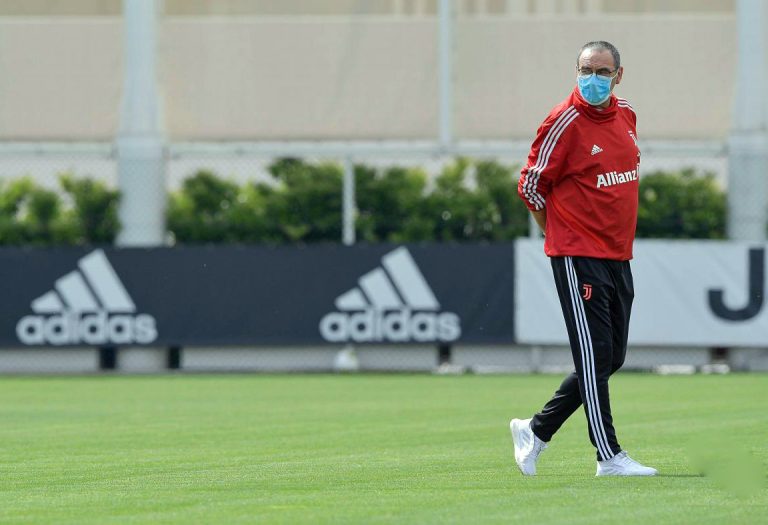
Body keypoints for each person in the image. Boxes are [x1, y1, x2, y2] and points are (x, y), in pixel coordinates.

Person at [511, 41, 657, 477]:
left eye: (602, 71)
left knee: (610, 358)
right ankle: (608, 456)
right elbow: (530, 185)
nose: (593, 79)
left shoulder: (626, 114)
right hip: (578, 253)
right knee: (594, 355)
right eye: (585, 70)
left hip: (618, 254)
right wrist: (556, 232)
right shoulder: (564, 121)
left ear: (619, 76)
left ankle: (536, 430)